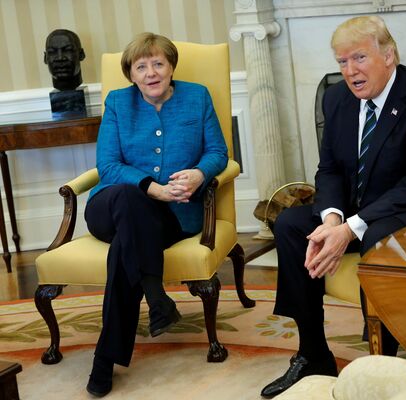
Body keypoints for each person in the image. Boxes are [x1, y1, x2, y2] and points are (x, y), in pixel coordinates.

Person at [260, 16, 406, 398]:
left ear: (389, 55)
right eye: (341, 62)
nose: (349, 71)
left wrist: (350, 229)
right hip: (362, 206)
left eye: (358, 58)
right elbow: (330, 168)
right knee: (290, 223)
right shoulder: (337, 98)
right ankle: (312, 353)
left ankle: (382, 358)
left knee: (380, 238)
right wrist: (332, 218)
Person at [84, 32, 228, 397]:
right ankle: (155, 297)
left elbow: (217, 152)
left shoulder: (196, 97)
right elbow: (107, 166)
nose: (151, 73)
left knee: (125, 247)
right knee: (130, 200)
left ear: (171, 67)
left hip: (172, 217)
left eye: (158, 64)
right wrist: (152, 187)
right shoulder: (118, 103)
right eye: (141, 66)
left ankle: (106, 357)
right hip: (110, 208)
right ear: (131, 74)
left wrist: (199, 174)